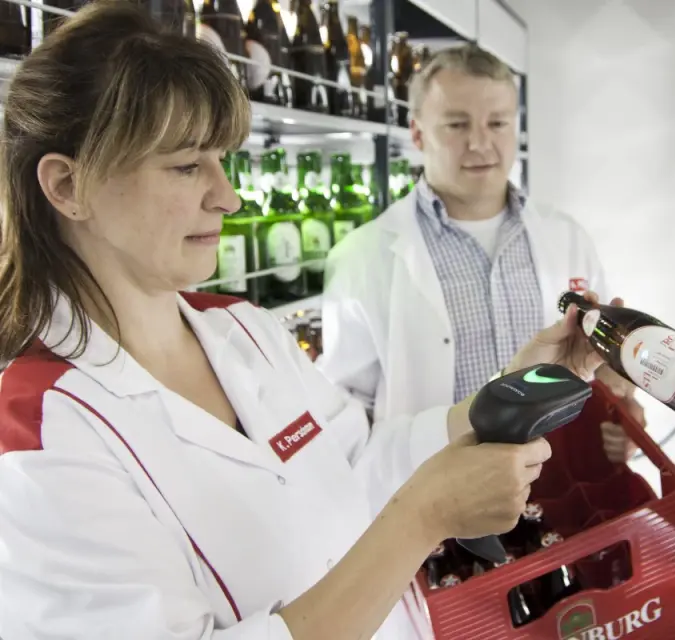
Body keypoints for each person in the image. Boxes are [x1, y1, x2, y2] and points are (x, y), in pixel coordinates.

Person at [0, 4, 614, 639]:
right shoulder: (40, 437)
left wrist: (518, 388)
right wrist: (422, 518)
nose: (228, 197)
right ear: (67, 187)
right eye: (187, 165)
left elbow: (364, 458)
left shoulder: (246, 332)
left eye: (221, 159)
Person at [319, 44, 644, 463]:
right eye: (456, 124)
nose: (480, 143)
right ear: (418, 133)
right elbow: (348, 421)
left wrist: (625, 410)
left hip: (560, 486)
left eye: (497, 123)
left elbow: (601, 362)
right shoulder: (361, 257)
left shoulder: (566, 237)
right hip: (437, 499)